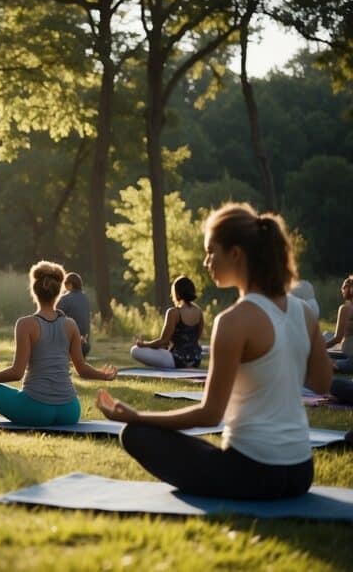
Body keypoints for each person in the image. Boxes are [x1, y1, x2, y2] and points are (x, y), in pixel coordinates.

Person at [96, 203, 332, 500]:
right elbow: (322, 384)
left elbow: (210, 414)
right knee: (211, 451)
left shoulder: (234, 320)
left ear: (236, 254)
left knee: (134, 434)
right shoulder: (305, 313)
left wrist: (138, 416)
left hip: (252, 475)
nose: (207, 261)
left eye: (211, 252)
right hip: (300, 473)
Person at [0, 262, 116, 425]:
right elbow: (82, 368)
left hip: (36, 410)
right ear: (58, 293)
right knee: (24, 394)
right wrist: (104, 375)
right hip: (70, 411)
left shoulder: (25, 324)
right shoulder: (70, 324)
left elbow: (16, 373)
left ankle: (12, 395)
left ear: (34, 291)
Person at [130, 276, 204, 369]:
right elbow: (197, 337)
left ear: (177, 293)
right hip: (196, 359)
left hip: (177, 360)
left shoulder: (174, 312)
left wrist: (144, 344)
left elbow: (163, 341)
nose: (171, 296)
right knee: (163, 352)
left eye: (173, 292)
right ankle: (189, 365)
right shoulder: (199, 311)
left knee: (135, 350)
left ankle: (182, 366)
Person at [56, 272, 91, 357]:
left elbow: (54, 317)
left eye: (65, 284)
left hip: (71, 344)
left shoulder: (65, 299)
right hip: (85, 344)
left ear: (70, 285)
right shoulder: (85, 298)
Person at [323, 275, 352, 374]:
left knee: (315, 359)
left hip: (349, 359)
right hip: (347, 356)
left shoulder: (345, 308)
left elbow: (338, 338)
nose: (341, 289)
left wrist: (320, 347)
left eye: (344, 287)